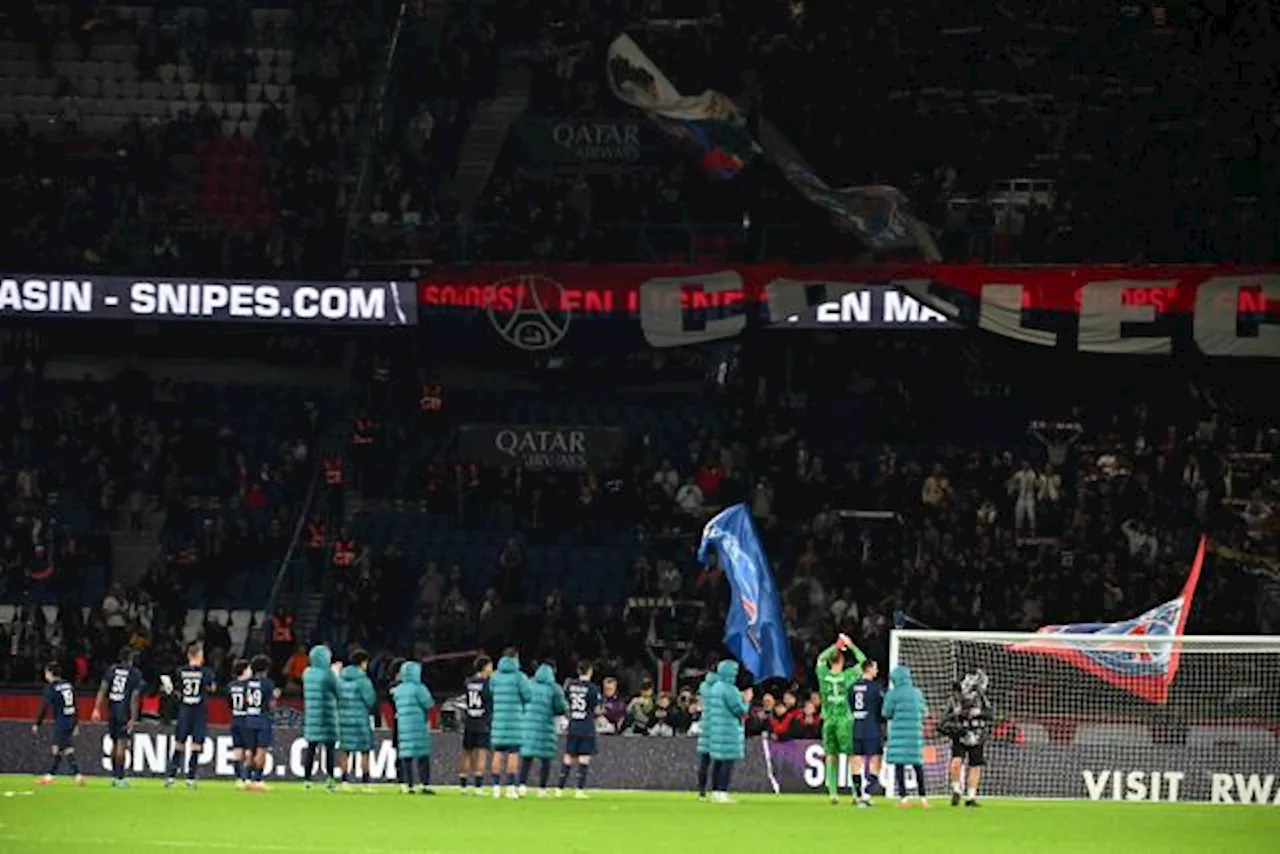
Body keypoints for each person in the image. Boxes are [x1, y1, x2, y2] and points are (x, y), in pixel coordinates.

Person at [816, 632, 867, 804]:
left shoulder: (823, 675)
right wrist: (850, 645)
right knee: (852, 755)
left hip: (829, 720)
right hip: (845, 720)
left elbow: (820, 659)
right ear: (842, 661)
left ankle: (833, 793)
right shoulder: (847, 676)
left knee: (831, 755)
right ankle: (855, 792)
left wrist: (836, 646)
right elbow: (864, 662)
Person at [165, 641, 217, 788]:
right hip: (199, 711)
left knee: (179, 743)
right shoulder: (206, 672)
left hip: (184, 710)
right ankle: (191, 777)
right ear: (199, 655)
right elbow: (212, 688)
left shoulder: (180, 671)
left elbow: (174, 690)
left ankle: (171, 776)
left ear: (188, 655)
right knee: (196, 744)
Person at [91, 647, 143, 788]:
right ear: (130, 658)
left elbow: (103, 689)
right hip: (124, 711)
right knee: (122, 744)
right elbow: (134, 697)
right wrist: (133, 717)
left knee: (114, 743)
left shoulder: (112, 670)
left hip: (112, 710)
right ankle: (120, 777)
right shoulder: (135, 673)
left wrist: (96, 709)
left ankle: (114, 776)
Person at [940, 669, 993, 807]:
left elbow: (990, 714)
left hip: (977, 734)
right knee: (956, 762)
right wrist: (957, 714)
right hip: (960, 733)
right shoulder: (955, 699)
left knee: (975, 765)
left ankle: (971, 797)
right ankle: (956, 789)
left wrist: (979, 713)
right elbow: (944, 718)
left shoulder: (981, 698)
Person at [882, 664, 928, 808]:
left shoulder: (893, 694)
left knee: (899, 765)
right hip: (915, 734)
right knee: (917, 765)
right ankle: (923, 798)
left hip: (898, 734)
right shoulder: (917, 693)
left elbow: (886, 713)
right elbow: (924, 712)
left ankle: (903, 798)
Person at [519, 662, 567, 797]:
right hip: (546, 727)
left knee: (526, 757)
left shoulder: (528, 684)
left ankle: (521, 785)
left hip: (528, 726)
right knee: (545, 759)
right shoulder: (554, 688)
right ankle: (541, 789)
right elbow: (560, 708)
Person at [489, 647, 532, 799]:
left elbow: (491, 693)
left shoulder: (494, 677)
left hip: (498, 721)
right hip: (515, 721)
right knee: (513, 754)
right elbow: (528, 696)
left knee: (498, 752)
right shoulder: (520, 677)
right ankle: (511, 787)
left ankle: (495, 787)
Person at [706, 659, 750, 804]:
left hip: (716, 730)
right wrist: (746, 700)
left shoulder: (715, 687)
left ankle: (715, 791)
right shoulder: (729, 689)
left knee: (718, 761)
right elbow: (739, 710)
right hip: (728, 731)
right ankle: (722, 791)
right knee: (727, 762)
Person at [33, 663, 84, 786]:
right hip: (70, 719)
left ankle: (77, 775)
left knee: (62, 749)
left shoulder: (51, 688)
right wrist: (76, 722)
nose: (45, 675)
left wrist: (37, 723)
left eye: (46, 673)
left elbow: (44, 707)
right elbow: (75, 705)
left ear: (50, 673)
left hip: (61, 720)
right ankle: (51, 775)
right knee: (62, 748)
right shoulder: (68, 685)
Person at [391, 660, 435, 794]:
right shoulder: (419, 688)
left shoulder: (398, 690)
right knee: (423, 755)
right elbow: (429, 703)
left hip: (403, 726)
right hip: (419, 725)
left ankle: (408, 785)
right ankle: (424, 784)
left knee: (406, 756)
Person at [337, 649, 378, 791]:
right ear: (363, 663)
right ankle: (365, 782)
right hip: (360, 719)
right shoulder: (363, 680)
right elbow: (370, 699)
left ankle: (344, 780)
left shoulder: (340, 679)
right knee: (364, 750)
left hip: (343, 718)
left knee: (344, 749)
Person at [557, 661, 599, 798]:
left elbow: (566, 701)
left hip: (573, 724)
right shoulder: (593, 689)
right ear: (590, 672)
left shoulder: (570, 686)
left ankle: (560, 788)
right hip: (586, 725)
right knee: (584, 758)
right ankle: (579, 790)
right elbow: (594, 707)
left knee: (568, 756)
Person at [301, 644, 340, 790]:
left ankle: (307, 779)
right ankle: (330, 778)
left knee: (311, 748)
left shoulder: (307, 673)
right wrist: (336, 673)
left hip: (312, 715)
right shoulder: (328, 674)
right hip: (327, 715)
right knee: (329, 749)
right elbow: (338, 690)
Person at [849, 658, 885, 805]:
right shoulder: (876, 688)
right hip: (871, 727)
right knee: (875, 759)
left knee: (856, 760)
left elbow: (851, 705)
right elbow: (881, 710)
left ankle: (858, 794)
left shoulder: (852, 687)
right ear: (869, 669)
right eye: (875, 668)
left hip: (857, 726)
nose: (877, 671)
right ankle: (867, 791)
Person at [459, 655, 493, 795]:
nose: (492, 669)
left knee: (466, 753)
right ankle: (478, 787)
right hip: (483, 722)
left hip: (470, 721)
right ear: (485, 667)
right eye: (490, 666)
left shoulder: (468, 682)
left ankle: (463, 786)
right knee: (481, 754)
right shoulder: (487, 684)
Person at [243, 654, 278, 791]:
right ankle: (257, 779)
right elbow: (271, 704)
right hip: (262, 720)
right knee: (261, 750)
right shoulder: (268, 683)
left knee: (249, 751)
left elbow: (246, 700)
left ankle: (246, 778)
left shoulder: (247, 682)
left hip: (249, 718)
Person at [226, 659, 252, 789]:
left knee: (237, 749)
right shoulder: (250, 685)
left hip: (235, 719)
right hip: (247, 720)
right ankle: (247, 777)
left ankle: (238, 778)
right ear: (245, 670)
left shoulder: (231, 685)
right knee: (248, 750)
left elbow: (229, 703)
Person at [694, 665, 719, 800]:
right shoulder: (720, 687)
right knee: (719, 762)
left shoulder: (703, 686)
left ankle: (701, 790)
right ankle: (717, 789)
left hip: (705, 725)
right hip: (718, 727)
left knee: (704, 761)